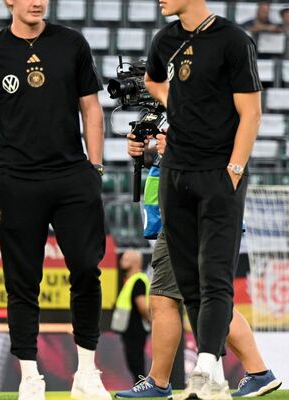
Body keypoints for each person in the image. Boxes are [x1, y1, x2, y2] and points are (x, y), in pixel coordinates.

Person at [0, 0, 110, 399]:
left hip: (71, 176)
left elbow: (91, 107)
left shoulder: (71, 43)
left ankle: (86, 371)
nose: (37, 1)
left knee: (85, 269)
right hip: (17, 181)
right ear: (8, 1)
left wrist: (94, 167)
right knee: (22, 281)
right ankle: (30, 376)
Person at [145, 0, 263, 395]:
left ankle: (208, 365)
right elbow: (151, 80)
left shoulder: (233, 39)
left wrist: (234, 169)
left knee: (215, 277)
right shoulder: (165, 39)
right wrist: (179, 106)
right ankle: (209, 370)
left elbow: (251, 112)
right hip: (175, 174)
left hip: (219, 173)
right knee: (188, 280)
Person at [116, 134, 282, 399]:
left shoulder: (191, 108)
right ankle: (255, 372)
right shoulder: (199, 108)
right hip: (196, 203)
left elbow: (204, 146)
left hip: (184, 208)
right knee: (208, 298)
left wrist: (175, 147)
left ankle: (159, 382)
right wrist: (147, 151)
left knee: (165, 297)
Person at [113, 250, 151, 385]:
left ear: (136, 262)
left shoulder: (138, 280)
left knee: (136, 359)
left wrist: (150, 321)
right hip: (130, 329)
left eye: (126, 259)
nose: (121, 261)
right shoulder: (131, 280)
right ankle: (139, 385)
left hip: (136, 329)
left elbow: (142, 304)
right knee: (133, 359)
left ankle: (141, 385)